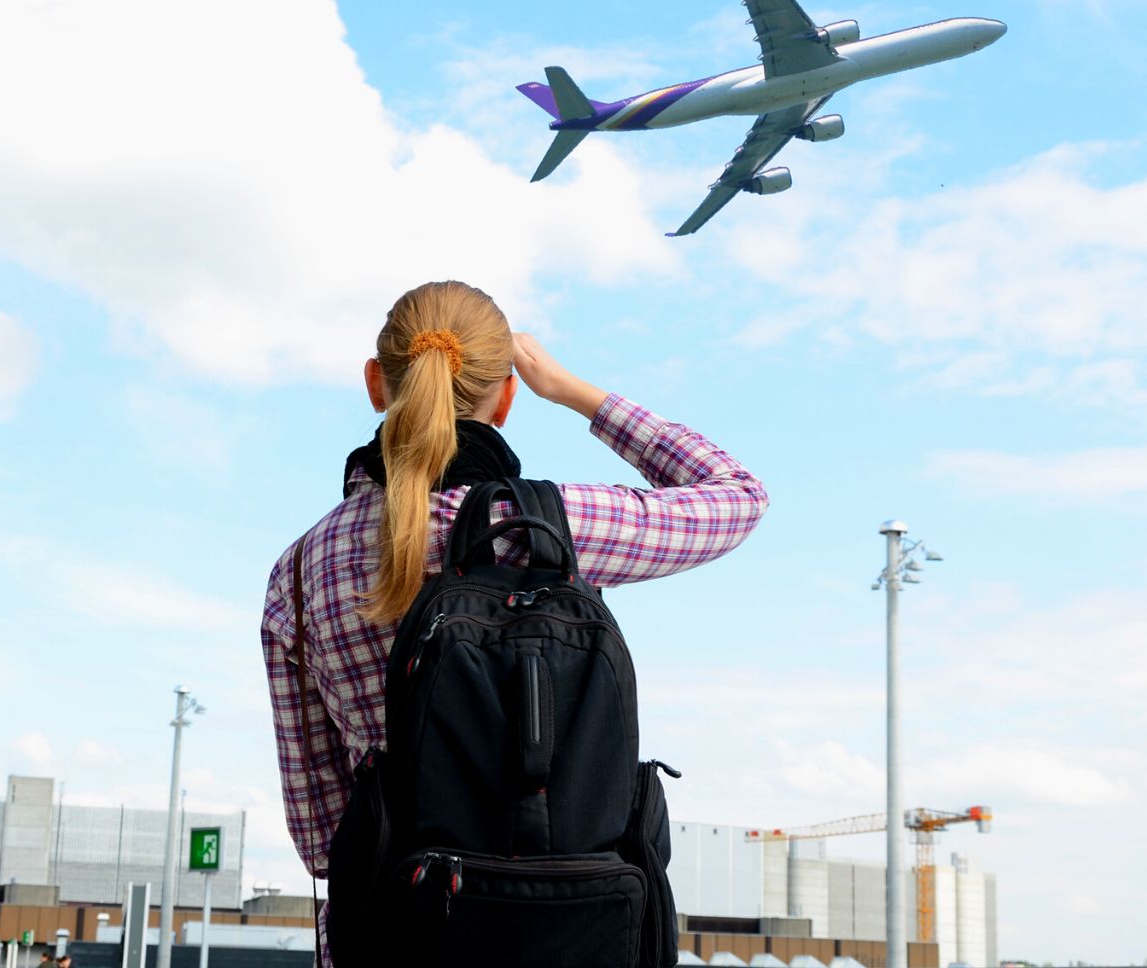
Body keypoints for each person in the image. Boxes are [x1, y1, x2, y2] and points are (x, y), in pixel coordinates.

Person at [260, 282, 769, 938]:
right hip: (567, 932)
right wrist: (575, 392)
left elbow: (319, 837)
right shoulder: (545, 528)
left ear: (376, 385)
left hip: (396, 935)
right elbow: (739, 495)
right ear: (506, 395)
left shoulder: (300, 572)